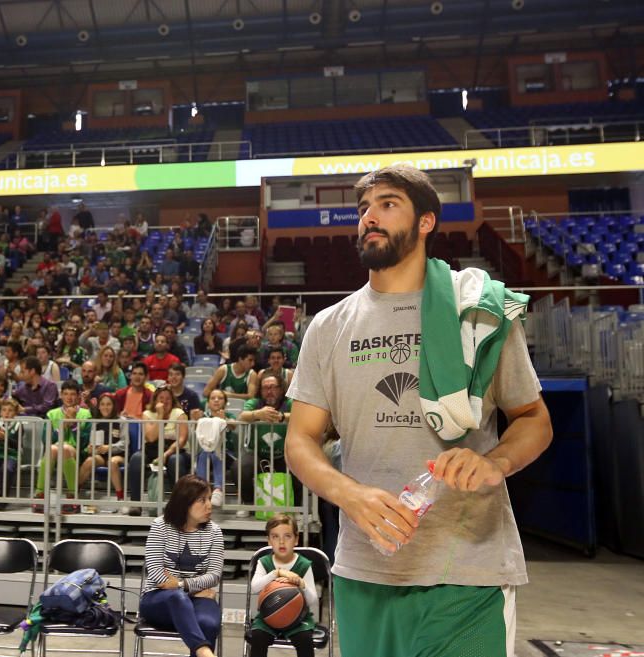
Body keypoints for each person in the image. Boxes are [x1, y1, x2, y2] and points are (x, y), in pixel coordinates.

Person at [284, 164, 552, 657]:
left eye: (388, 204)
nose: (369, 217)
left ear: (426, 221)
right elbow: (300, 440)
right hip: (366, 570)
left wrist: (495, 462)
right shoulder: (327, 327)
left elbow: (534, 420)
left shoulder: (477, 312)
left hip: (467, 569)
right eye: (363, 208)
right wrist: (350, 494)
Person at [139, 475, 222, 657]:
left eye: (209, 499)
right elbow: (155, 573)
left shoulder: (214, 532)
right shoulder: (160, 526)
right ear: (185, 502)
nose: (209, 505)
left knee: (208, 623)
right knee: (176, 598)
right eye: (202, 500)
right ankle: (204, 652)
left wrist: (182, 586)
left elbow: (214, 575)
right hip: (157, 599)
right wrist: (189, 588)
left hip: (197, 598)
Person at [248, 514, 319, 657]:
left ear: (296, 539)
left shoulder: (304, 564)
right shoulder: (264, 562)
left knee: (305, 639)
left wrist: (301, 584)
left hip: (298, 618)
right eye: (275, 536)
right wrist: (277, 573)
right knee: (257, 637)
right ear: (268, 540)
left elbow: (313, 601)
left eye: (287, 536)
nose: (281, 542)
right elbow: (254, 588)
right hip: (268, 616)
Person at [123, 387, 191, 516]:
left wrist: (165, 454)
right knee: (136, 459)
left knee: (174, 461)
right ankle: (136, 504)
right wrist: (160, 415)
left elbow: (182, 439)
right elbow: (151, 437)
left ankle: (178, 505)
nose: (165, 402)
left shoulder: (179, 413)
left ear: (172, 400)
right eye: (161, 398)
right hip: (152, 449)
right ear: (155, 401)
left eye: (168, 399)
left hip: (175, 450)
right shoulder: (147, 414)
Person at [236, 374, 292, 517]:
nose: (269, 391)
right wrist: (257, 414)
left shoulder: (289, 403)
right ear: (260, 391)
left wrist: (281, 417)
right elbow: (241, 416)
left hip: (285, 453)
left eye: (273, 387)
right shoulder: (255, 403)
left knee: (301, 465)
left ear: (281, 389)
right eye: (265, 388)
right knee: (240, 466)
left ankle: (295, 506)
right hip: (258, 454)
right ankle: (248, 503)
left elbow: (300, 415)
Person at [33, 380, 91, 514]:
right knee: (54, 448)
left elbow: (85, 442)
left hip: (77, 452)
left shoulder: (86, 414)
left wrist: (74, 425)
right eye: (66, 394)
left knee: (63, 448)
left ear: (78, 396)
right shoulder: (52, 414)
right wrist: (62, 427)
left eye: (72, 394)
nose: (69, 398)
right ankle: (40, 496)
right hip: (55, 450)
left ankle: (72, 497)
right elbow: (45, 440)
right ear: (61, 396)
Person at [194, 389, 237, 508]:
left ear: (225, 402)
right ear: (208, 402)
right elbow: (198, 434)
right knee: (204, 454)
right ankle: (201, 489)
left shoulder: (229, 415)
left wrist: (225, 420)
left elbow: (234, 425)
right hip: (206, 453)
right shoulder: (204, 418)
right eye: (213, 398)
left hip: (227, 454)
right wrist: (195, 420)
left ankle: (218, 489)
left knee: (217, 453)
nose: (216, 400)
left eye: (220, 398)